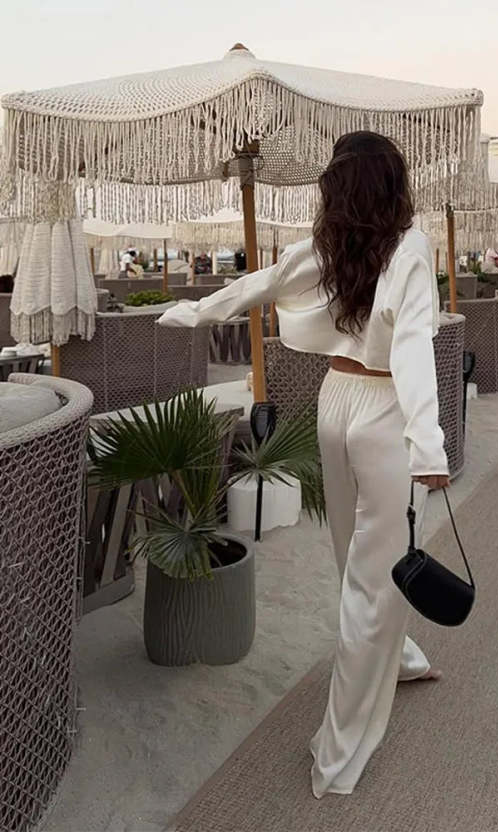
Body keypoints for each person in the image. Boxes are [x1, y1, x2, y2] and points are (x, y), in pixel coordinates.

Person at [158, 131, 449, 799]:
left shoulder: (330, 244)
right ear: (394, 182)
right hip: (384, 411)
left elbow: (262, 283)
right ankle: (339, 752)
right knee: (375, 580)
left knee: (356, 562)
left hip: (335, 401)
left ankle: (401, 659)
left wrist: (193, 311)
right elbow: (411, 346)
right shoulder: (410, 244)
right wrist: (428, 445)